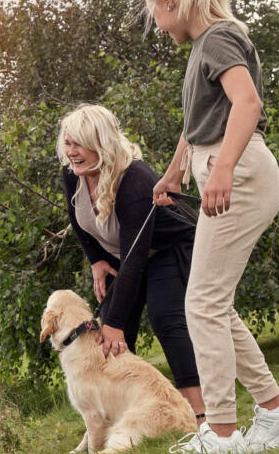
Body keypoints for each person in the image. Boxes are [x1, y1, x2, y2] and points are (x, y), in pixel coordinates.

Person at [145, 0, 279, 454]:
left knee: (201, 304)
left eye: (155, 14)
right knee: (213, 303)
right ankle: (277, 410)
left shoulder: (217, 36)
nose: (158, 25)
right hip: (228, 167)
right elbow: (198, 125)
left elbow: (248, 102)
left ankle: (220, 433)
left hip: (239, 171)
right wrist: (175, 172)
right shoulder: (204, 46)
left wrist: (220, 170)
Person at [58, 104, 206, 421]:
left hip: (170, 248)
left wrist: (116, 325)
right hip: (124, 257)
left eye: (79, 143)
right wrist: (96, 260)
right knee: (102, 334)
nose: (72, 152)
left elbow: (136, 259)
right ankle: (121, 412)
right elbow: (77, 219)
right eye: (68, 143)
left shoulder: (134, 179)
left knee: (164, 316)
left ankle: (199, 415)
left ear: (101, 142)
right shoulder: (73, 175)